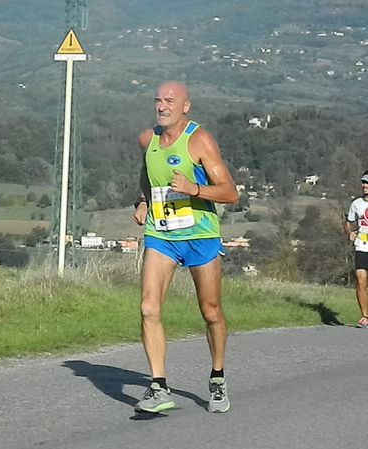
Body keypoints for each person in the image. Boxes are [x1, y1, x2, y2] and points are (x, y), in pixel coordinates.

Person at [131, 81, 238, 414]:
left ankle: (217, 377)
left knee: (210, 312)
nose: (162, 106)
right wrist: (142, 200)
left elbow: (230, 193)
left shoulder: (199, 141)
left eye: (169, 101)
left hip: (200, 237)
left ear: (185, 106)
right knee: (149, 308)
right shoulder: (147, 140)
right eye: (158, 101)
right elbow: (147, 173)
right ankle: (158, 386)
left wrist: (193, 188)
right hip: (161, 236)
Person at [344, 171, 368, 329]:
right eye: (363, 183)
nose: (364, 186)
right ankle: (365, 316)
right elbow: (348, 221)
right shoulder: (356, 204)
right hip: (362, 244)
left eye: (367, 183)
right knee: (360, 279)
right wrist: (349, 232)